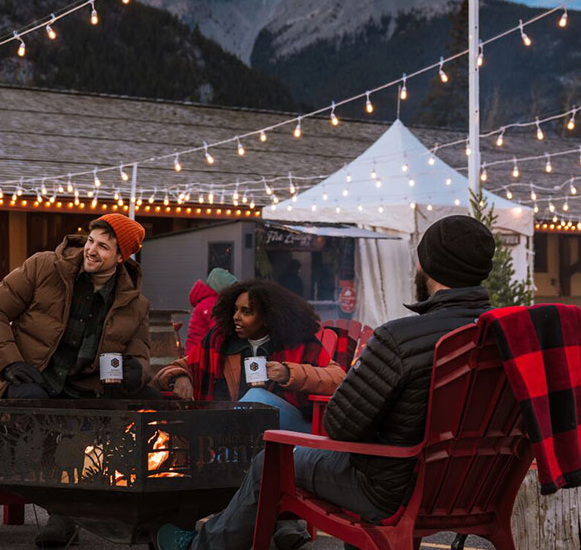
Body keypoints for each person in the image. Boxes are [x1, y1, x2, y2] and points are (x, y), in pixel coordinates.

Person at [154, 214, 496, 550]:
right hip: (474, 487)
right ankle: (285, 529)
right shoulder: (502, 338)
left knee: (271, 459)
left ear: (427, 266)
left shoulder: (400, 339)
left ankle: (202, 545)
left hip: (388, 490)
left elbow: (339, 424)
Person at [0, 213, 152, 546]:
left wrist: (136, 371)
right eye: (90, 241)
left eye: (103, 246)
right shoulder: (45, 266)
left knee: (152, 407)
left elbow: (140, 357)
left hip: (88, 387)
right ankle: (62, 514)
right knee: (37, 412)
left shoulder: (136, 303)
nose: (91, 250)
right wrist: (12, 364)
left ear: (120, 257)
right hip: (33, 377)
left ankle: (156, 514)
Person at [152, 280, 342, 433]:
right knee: (246, 409)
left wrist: (289, 373)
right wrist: (179, 376)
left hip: (289, 427)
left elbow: (338, 378)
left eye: (246, 312)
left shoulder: (295, 342)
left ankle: (223, 456)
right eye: (235, 309)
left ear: (267, 317)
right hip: (240, 430)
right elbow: (172, 369)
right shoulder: (221, 342)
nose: (236, 317)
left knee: (256, 397)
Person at [184, 267, 236, 355]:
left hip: (196, 352)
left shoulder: (207, 302)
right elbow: (218, 330)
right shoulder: (211, 304)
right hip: (201, 355)